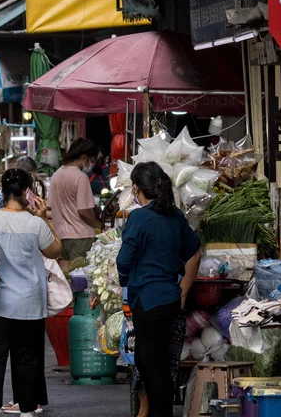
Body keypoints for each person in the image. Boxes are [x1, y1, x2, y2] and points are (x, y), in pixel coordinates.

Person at [0, 169, 62, 417]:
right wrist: (44, 218)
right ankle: (27, 409)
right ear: (27, 192)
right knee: (27, 357)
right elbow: (55, 251)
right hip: (29, 303)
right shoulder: (35, 224)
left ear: (3, 190)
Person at [117, 162, 201, 417]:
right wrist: (183, 292)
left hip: (147, 301)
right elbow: (194, 252)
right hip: (171, 300)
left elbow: (123, 260)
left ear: (136, 188)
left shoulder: (139, 216)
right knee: (153, 361)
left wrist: (123, 280)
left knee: (153, 366)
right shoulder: (175, 215)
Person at [49, 137, 101, 268]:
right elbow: (83, 211)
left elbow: (50, 206)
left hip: (61, 237)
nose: (91, 165)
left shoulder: (56, 175)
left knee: (66, 281)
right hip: (81, 237)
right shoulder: (81, 177)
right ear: (85, 158)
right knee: (80, 281)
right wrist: (100, 226)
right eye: (92, 161)